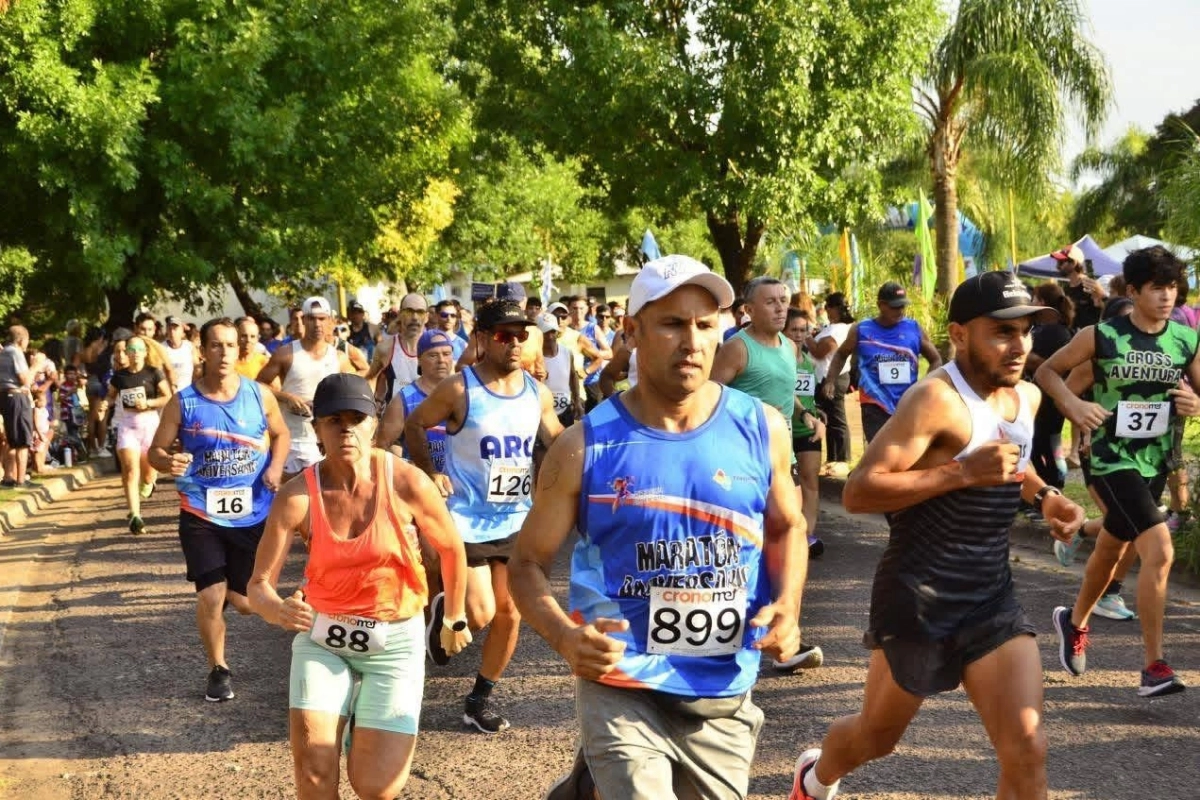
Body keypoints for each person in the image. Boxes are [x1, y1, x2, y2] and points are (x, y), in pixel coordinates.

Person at [511, 254, 806, 800]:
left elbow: (788, 526)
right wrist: (564, 637)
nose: (691, 341)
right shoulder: (584, 445)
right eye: (672, 323)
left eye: (705, 324)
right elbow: (527, 563)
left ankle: (584, 788)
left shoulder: (762, 427)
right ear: (632, 331)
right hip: (622, 680)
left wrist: (788, 605)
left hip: (722, 689)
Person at [788, 271, 1085, 800]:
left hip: (991, 595)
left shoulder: (1027, 396)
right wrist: (962, 473)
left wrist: (1045, 496)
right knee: (876, 737)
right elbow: (859, 492)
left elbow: (1010, 462)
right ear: (960, 334)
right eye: (1002, 332)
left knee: (1027, 747)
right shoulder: (935, 399)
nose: (1019, 346)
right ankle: (815, 778)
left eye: (1025, 332)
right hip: (919, 596)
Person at [248, 373, 472, 799]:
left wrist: (455, 615)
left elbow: (450, 548)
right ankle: (343, 713)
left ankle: (357, 723)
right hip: (323, 636)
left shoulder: (406, 481)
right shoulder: (297, 496)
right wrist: (277, 609)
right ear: (317, 429)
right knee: (314, 769)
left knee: (377, 787)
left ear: (374, 424)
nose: (346, 429)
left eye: (357, 419)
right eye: (334, 420)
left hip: (395, 639)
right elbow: (258, 585)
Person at [1036, 245, 1200, 697]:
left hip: (1155, 461)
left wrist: (1195, 402)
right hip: (1109, 458)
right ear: (1133, 291)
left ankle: (1074, 622)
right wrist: (1074, 406)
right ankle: (1153, 666)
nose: (1167, 296)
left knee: (1111, 547)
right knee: (1160, 551)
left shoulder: (1185, 340)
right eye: (1157, 288)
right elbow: (1047, 372)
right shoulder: (1101, 335)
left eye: (1172, 287)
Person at [404, 299, 564, 734]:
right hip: (467, 519)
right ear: (481, 339)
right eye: (503, 335)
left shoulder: (537, 393)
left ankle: (479, 699)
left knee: (511, 614)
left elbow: (558, 440)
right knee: (480, 613)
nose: (514, 343)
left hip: (516, 519)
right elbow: (416, 424)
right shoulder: (460, 389)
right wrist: (431, 471)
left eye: (521, 335)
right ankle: (445, 611)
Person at [149, 318, 290, 702]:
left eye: (230, 345)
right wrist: (168, 461)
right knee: (211, 596)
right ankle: (218, 669)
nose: (224, 352)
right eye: (216, 345)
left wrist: (275, 468)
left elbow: (281, 434)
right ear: (203, 351)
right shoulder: (184, 402)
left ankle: (229, 591)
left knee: (245, 604)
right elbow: (155, 451)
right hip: (201, 513)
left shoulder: (260, 395)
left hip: (251, 512)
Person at [712, 275, 823, 672]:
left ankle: (786, 636)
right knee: (746, 550)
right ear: (748, 309)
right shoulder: (737, 348)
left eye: (783, 300)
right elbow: (708, 397)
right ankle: (725, 634)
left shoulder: (790, 348)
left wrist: (805, 414)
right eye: (770, 301)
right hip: (741, 464)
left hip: (782, 459)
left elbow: (784, 390)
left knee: (791, 540)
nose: (780, 307)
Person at [821, 282, 942, 444]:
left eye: (902, 306)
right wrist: (830, 380)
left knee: (905, 449)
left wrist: (924, 387)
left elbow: (936, 359)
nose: (900, 311)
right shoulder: (861, 329)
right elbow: (841, 354)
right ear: (881, 305)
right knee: (880, 450)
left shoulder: (914, 328)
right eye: (895, 307)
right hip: (874, 404)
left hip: (907, 402)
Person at [257, 296, 354, 479]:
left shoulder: (339, 358)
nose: (317, 324)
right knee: (289, 492)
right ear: (304, 320)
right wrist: (286, 397)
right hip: (291, 439)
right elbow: (258, 385)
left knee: (322, 491)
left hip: (326, 440)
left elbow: (353, 392)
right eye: (311, 318)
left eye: (322, 318)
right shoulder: (286, 353)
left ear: (330, 321)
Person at [99, 336, 171, 534]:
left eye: (139, 349)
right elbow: (111, 396)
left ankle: (148, 482)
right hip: (128, 426)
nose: (135, 353)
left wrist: (148, 403)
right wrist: (105, 404)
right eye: (131, 349)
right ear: (127, 353)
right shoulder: (119, 376)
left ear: (145, 352)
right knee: (131, 470)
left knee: (148, 474)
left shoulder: (154, 373)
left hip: (149, 425)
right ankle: (135, 516)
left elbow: (167, 396)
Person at [1023, 283, 1075, 515]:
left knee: (1044, 445)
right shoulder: (1044, 328)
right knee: (1041, 444)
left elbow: (1045, 364)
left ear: (1043, 302)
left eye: (1034, 298)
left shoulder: (1055, 332)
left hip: (1049, 399)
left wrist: (1026, 355)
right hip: (1041, 398)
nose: (1032, 303)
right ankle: (1047, 489)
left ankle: (1052, 488)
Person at [375, 329, 455, 460]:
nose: (441, 360)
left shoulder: (465, 392)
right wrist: (405, 467)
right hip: (420, 472)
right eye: (433, 355)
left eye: (446, 354)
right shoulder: (404, 400)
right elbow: (381, 446)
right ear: (419, 360)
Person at [786, 308, 826, 560]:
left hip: (808, 428)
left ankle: (807, 536)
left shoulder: (809, 361)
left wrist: (817, 412)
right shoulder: (780, 359)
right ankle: (788, 532)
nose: (799, 335)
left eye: (803, 330)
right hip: (783, 427)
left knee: (810, 480)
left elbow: (807, 394)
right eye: (794, 330)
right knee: (787, 483)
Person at [809, 293, 853, 476]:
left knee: (837, 419)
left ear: (835, 308)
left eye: (827, 307)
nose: (825, 310)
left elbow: (819, 351)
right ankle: (832, 458)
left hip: (834, 378)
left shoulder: (840, 330)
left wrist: (806, 336)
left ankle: (842, 459)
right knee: (829, 419)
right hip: (823, 377)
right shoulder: (832, 328)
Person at [367, 292, 426, 407]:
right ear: (400, 315)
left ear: (427, 317)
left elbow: (450, 385)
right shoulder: (385, 348)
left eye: (420, 312)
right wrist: (375, 403)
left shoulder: (438, 348)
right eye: (409, 311)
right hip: (394, 416)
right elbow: (370, 378)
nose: (414, 317)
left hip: (428, 417)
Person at [0, 326, 34, 488]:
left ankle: (8, 478)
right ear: (21, 340)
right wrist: (36, 366)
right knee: (22, 440)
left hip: (5, 397)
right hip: (17, 396)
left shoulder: (3, 352)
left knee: (11, 439)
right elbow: (25, 379)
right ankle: (21, 480)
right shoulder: (15, 352)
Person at [537, 312, 583, 428]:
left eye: (552, 331)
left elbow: (573, 376)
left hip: (565, 412)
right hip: (542, 414)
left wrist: (577, 401)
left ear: (557, 332)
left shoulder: (566, 352)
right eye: (545, 332)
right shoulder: (534, 357)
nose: (550, 336)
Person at [163, 316, 199, 392]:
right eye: (169, 329)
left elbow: (197, 369)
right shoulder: (161, 348)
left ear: (182, 331)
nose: (172, 332)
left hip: (188, 391)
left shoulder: (189, 346)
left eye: (175, 329)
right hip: (169, 392)